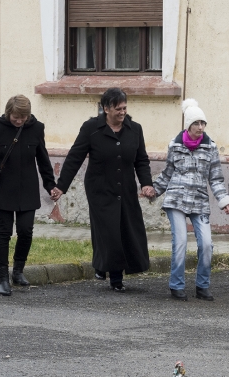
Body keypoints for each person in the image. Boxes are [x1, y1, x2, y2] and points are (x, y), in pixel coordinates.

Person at [51, 88, 154, 292]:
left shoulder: (135, 129)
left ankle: (102, 266)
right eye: (118, 108)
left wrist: (147, 183)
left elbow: (141, 160)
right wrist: (61, 186)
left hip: (125, 188)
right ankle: (115, 278)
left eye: (125, 108)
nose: (122, 112)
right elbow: (75, 157)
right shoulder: (91, 128)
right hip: (99, 188)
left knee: (126, 230)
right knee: (109, 232)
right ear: (106, 108)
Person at [151, 99, 229, 301]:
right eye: (196, 123)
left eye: (202, 123)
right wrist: (152, 191)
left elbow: (215, 178)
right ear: (188, 125)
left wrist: (225, 201)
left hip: (199, 200)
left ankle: (202, 286)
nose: (200, 127)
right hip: (176, 198)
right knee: (180, 242)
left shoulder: (210, 147)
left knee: (206, 244)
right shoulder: (175, 145)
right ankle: (176, 285)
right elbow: (167, 173)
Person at [0, 95, 56, 296]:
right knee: (4, 233)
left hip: (27, 189)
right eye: (16, 117)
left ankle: (18, 271)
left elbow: (43, 160)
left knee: (26, 231)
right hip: (3, 189)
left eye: (23, 117)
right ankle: (3, 277)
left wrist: (50, 185)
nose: (19, 121)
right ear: (8, 112)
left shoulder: (37, 128)